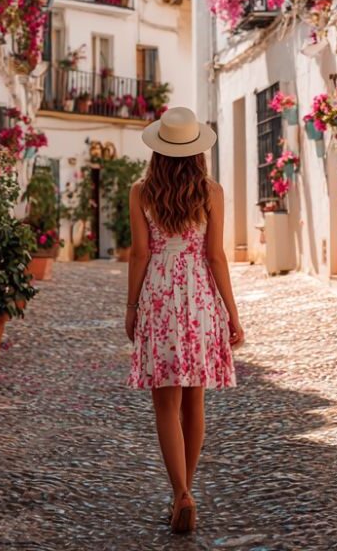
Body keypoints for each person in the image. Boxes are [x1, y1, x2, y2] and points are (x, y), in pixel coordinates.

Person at [126, 107, 244, 533]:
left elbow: (140, 253)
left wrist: (131, 307)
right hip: (198, 296)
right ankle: (186, 491)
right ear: (197, 150)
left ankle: (180, 494)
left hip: (159, 294)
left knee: (165, 403)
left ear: (158, 149)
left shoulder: (141, 192)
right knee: (195, 400)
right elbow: (216, 256)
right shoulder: (211, 191)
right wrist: (231, 313)